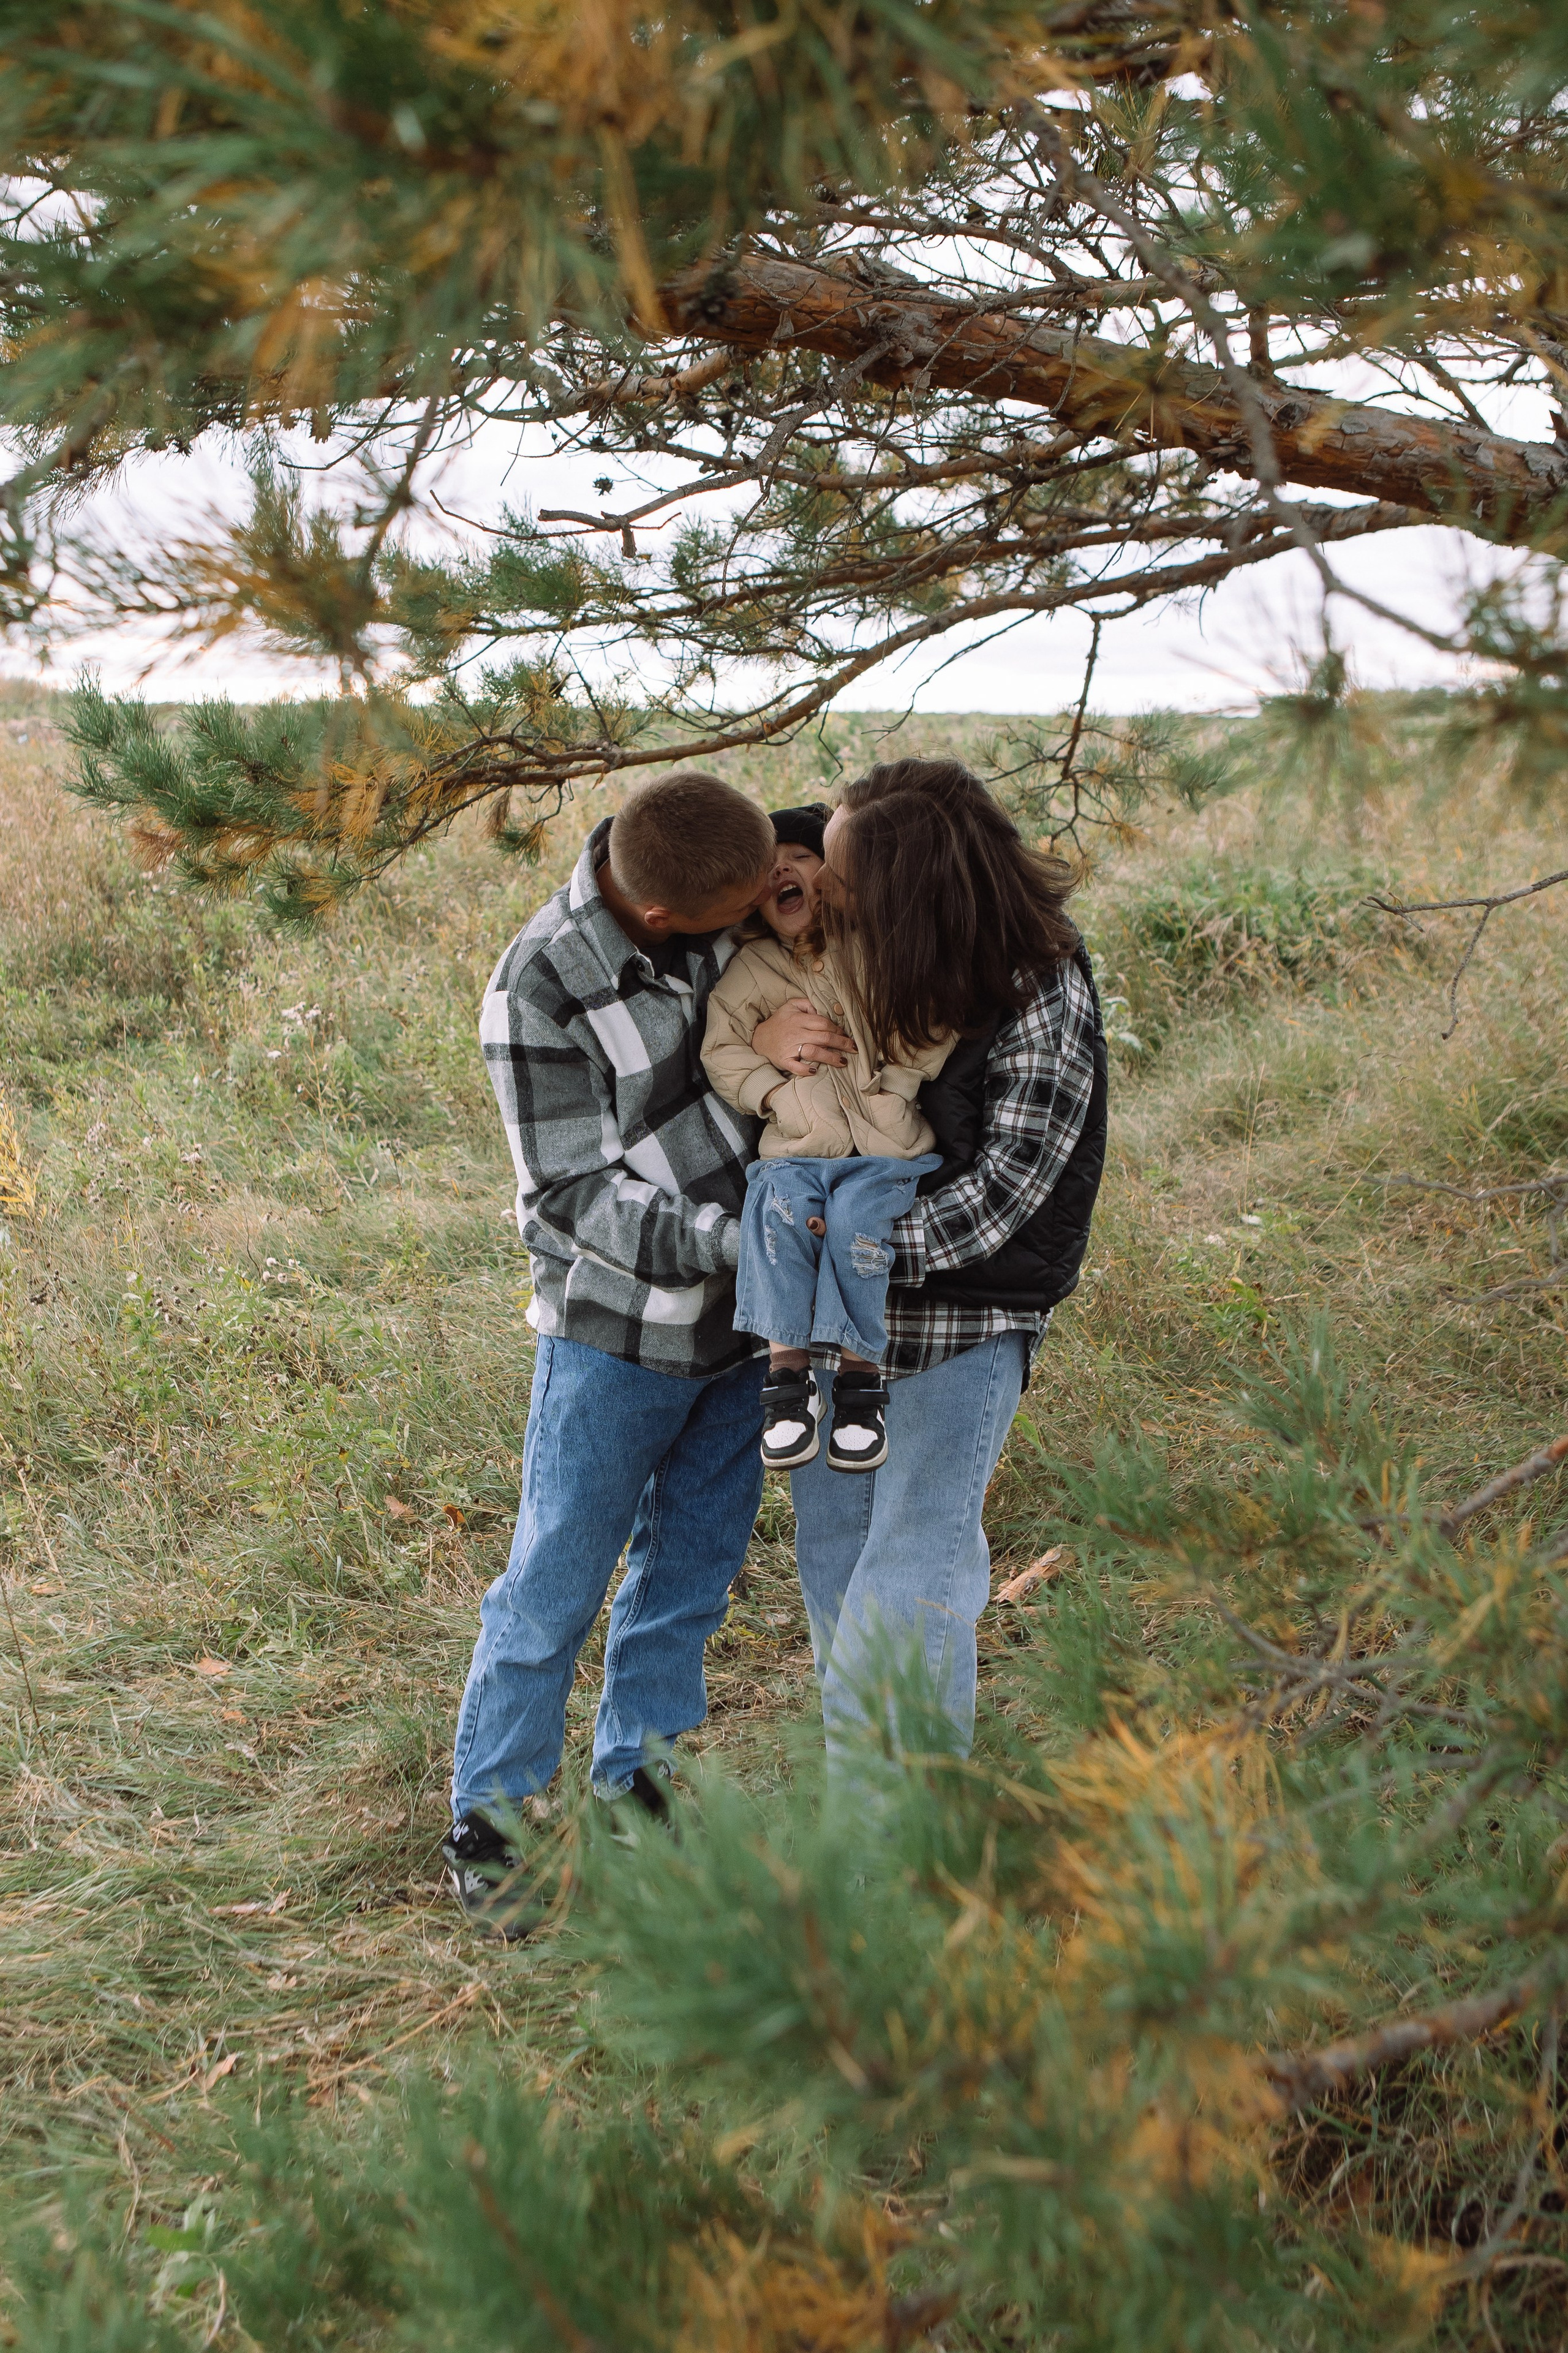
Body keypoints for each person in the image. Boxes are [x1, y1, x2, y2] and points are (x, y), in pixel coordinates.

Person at [444, 770, 777, 1933]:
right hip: (615, 1338)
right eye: (732, 918)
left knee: (688, 1577)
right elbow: (569, 1199)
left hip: (744, 1340)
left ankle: (644, 1803)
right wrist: (747, 1242)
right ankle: (496, 1832)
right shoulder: (539, 984)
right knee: (552, 1588)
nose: (754, 925)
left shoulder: (718, 892)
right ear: (658, 918)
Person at [748, 760, 1108, 1767]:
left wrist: (831, 1256)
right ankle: (879, 1799)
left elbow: (1003, 1198)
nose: (828, 895)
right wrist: (765, 1033)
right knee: (836, 1561)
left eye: (847, 878)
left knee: (911, 1570)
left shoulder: (1040, 985)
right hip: (830, 1325)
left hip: (961, 1318)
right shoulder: (853, 948)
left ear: (915, 886)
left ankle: (896, 1860)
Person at [701, 806, 953, 1476]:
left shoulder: (874, 945)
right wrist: (772, 1091)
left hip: (883, 1149)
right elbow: (720, 1048)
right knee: (774, 1213)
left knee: (855, 1225)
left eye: (802, 856)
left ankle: (859, 1384)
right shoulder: (751, 969)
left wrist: (895, 1085)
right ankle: (787, 1382)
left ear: (837, 876)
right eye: (768, 865)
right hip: (797, 1149)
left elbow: (932, 1013)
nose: (783, 868)